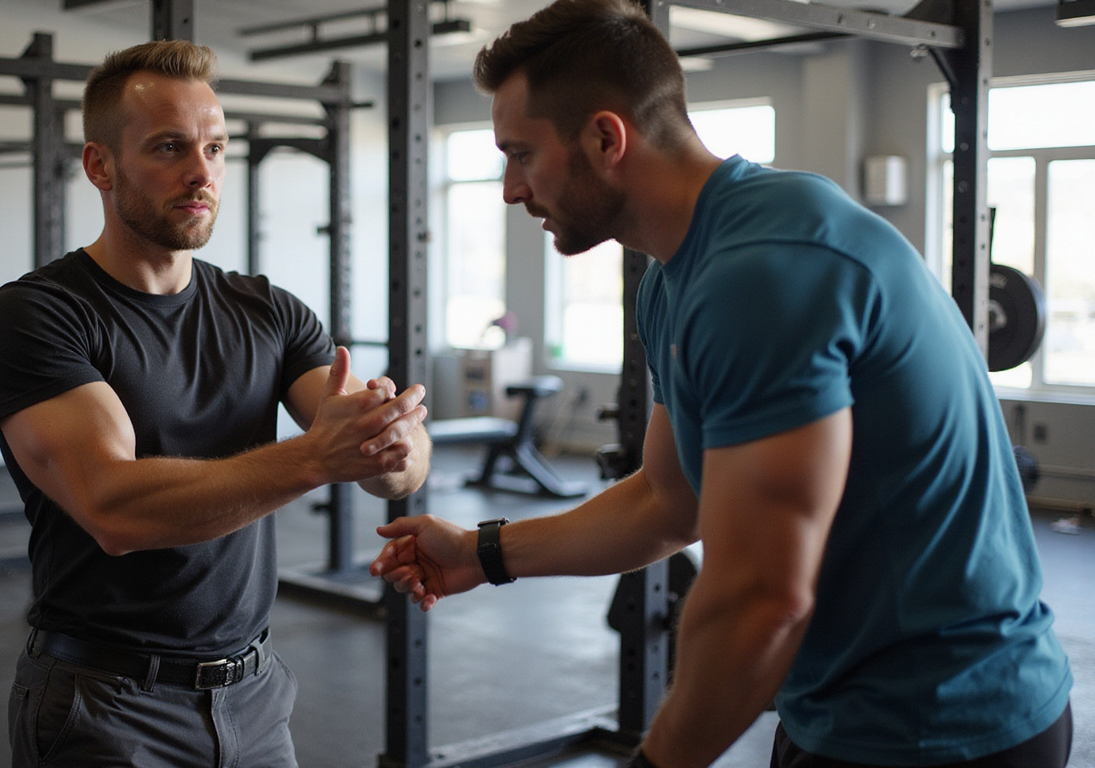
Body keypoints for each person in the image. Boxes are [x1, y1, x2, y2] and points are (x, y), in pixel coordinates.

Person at [370, 1, 1074, 766]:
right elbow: (668, 501)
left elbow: (761, 596)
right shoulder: (673, 279)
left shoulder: (764, 270)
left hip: (945, 725)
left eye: (521, 154)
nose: (511, 189)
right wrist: (482, 551)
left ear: (606, 138)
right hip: (835, 707)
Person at [0, 39, 431, 768]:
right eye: (169, 148)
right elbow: (114, 507)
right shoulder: (38, 314)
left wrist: (396, 444)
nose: (202, 173)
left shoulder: (270, 310)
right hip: (108, 703)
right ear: (100, 166)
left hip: (255, 696)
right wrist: (320, 456)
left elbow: (388, 468)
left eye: (214, 148)